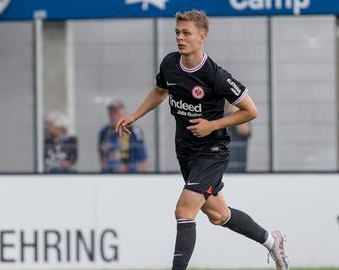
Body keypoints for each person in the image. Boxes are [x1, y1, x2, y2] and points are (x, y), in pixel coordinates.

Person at [115, 10, 288, 270]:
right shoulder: (170, 64)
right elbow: (160, 90)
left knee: (184, 210)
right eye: (177, 33)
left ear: (202, 37)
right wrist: (135, 116)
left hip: (212, 152)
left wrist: (212, 125)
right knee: (218, 215)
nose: (180, 38)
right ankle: (272, 241)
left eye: (187, 33)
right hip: (185, 151)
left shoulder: (215, 75)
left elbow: (251, 111)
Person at [98, 100, 147, 173]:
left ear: (124, 114)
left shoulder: (135, 131)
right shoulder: (104, 132)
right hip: (108, 176)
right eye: (111, 113)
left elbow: (143, 160)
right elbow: (102, 157)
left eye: (117, 113)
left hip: (129, 177)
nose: (113, 116)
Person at [226, 103, 252, 172]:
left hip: (237, 167)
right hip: (220, 167)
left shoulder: (242, 115)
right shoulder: (218, 116)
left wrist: (235, 112)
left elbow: (245, 130)